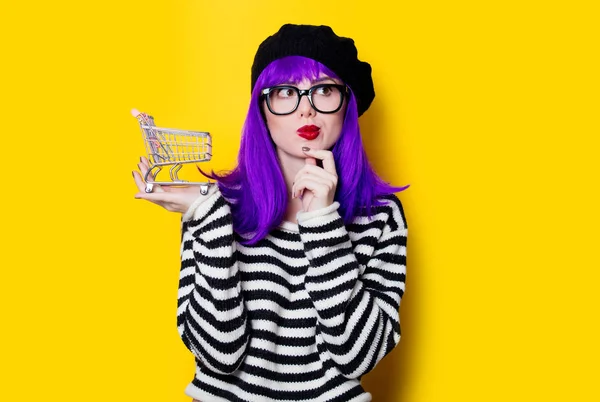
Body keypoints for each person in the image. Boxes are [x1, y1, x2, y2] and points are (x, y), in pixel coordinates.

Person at [132, 23, 409, 402]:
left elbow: (357, 357)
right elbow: (219, 355)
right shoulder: (216, 207)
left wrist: (323, 223)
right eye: (285, 92)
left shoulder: (380, 216)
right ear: (263, 109)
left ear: (347, 103)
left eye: (325, 89)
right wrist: (210, 220)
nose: (307, 109)